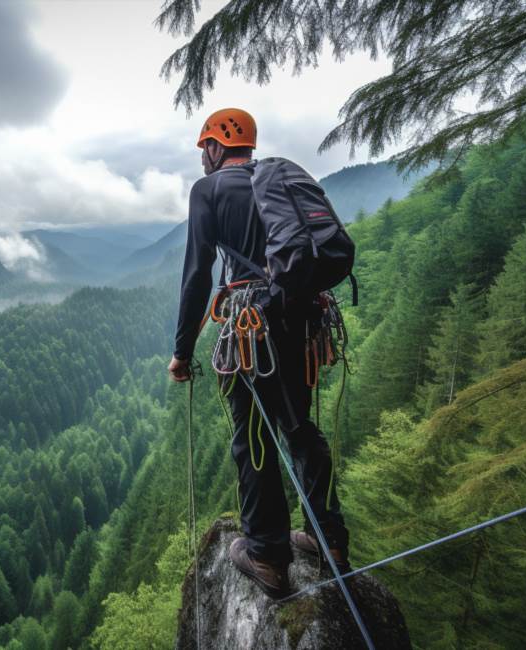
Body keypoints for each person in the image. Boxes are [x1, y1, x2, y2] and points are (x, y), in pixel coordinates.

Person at [167, 108, 350, 600]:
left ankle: (267, 554)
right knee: (298, 427)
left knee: (254, 437)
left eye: (203, 147)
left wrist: (181, 352)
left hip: (252, 329)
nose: (203, 157)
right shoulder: (276, 179)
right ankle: (327, 537)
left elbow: (197, 275)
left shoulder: (208, 191)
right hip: (300, 318)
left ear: (214, 146)